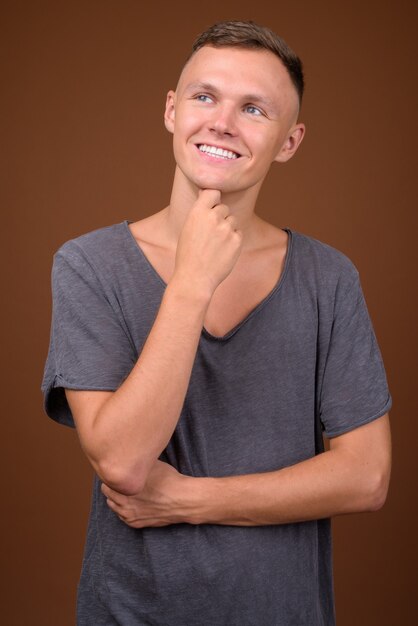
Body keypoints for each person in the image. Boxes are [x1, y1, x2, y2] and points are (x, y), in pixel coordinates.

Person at [41, 19, 392, 626]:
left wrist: (189, 501)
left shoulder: (329, 278)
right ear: (173, 111)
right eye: (205, 97)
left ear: (289, 141)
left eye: (254, 108)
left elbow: (367, 476)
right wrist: (193, 282)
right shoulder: (88, 265)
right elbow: (123, 462)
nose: (222, 122)